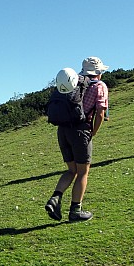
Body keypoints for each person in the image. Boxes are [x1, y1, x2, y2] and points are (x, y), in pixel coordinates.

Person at [45, 56, 109, 222]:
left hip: (63, 130)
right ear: (99, 72)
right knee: (82, 172)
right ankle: (75, 210)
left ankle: (55, 198)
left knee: (71, 170)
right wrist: (93, 132)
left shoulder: (73, 82)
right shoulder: (100, 86)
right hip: (81, 131)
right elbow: (100, 113)